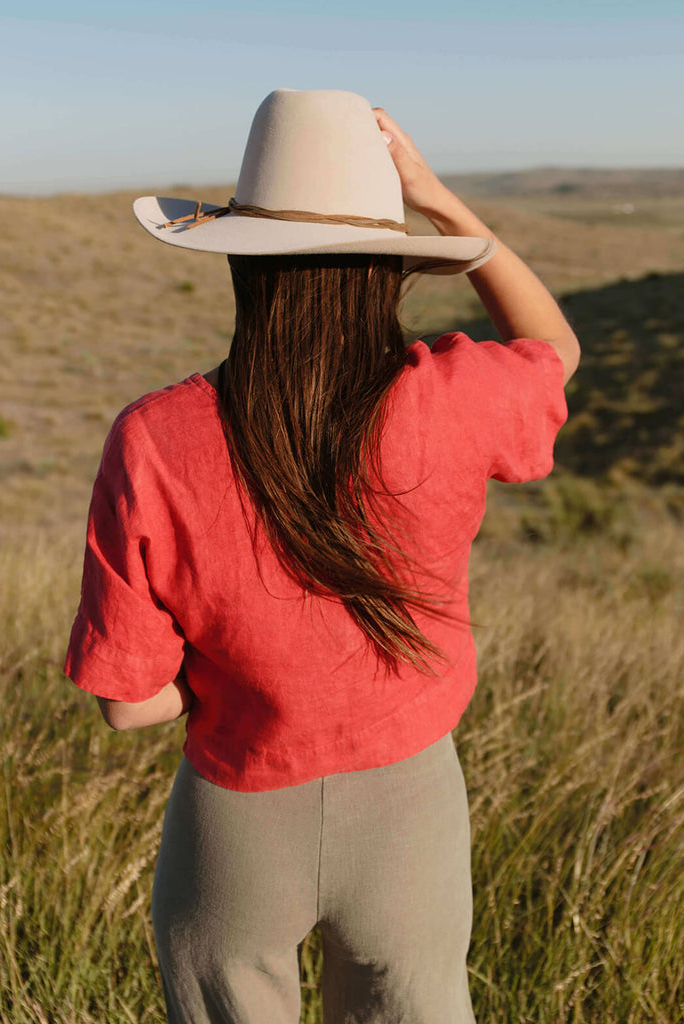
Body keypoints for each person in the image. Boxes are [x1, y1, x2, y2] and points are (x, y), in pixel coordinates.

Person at [64, 89, 579, 1024]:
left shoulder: (153, 438)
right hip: (411, 804)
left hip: (236, 818)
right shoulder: (455, 398)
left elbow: (127, 704)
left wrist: (247, 669)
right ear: (386, 269)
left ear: (240, 265)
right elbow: (553, 347)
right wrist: (448, 212)